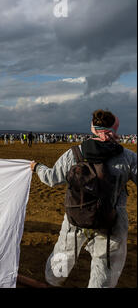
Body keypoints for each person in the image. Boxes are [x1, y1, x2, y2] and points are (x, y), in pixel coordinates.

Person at [30, 109, 137, 288]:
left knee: (64, 253)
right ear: (114, 129)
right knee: (105, 264)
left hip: (76, 215)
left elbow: (51, 179)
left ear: (93, 128)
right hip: (111, 221)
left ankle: (53, 282)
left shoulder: (74, 154)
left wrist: (37, 167)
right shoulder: (127, 157)